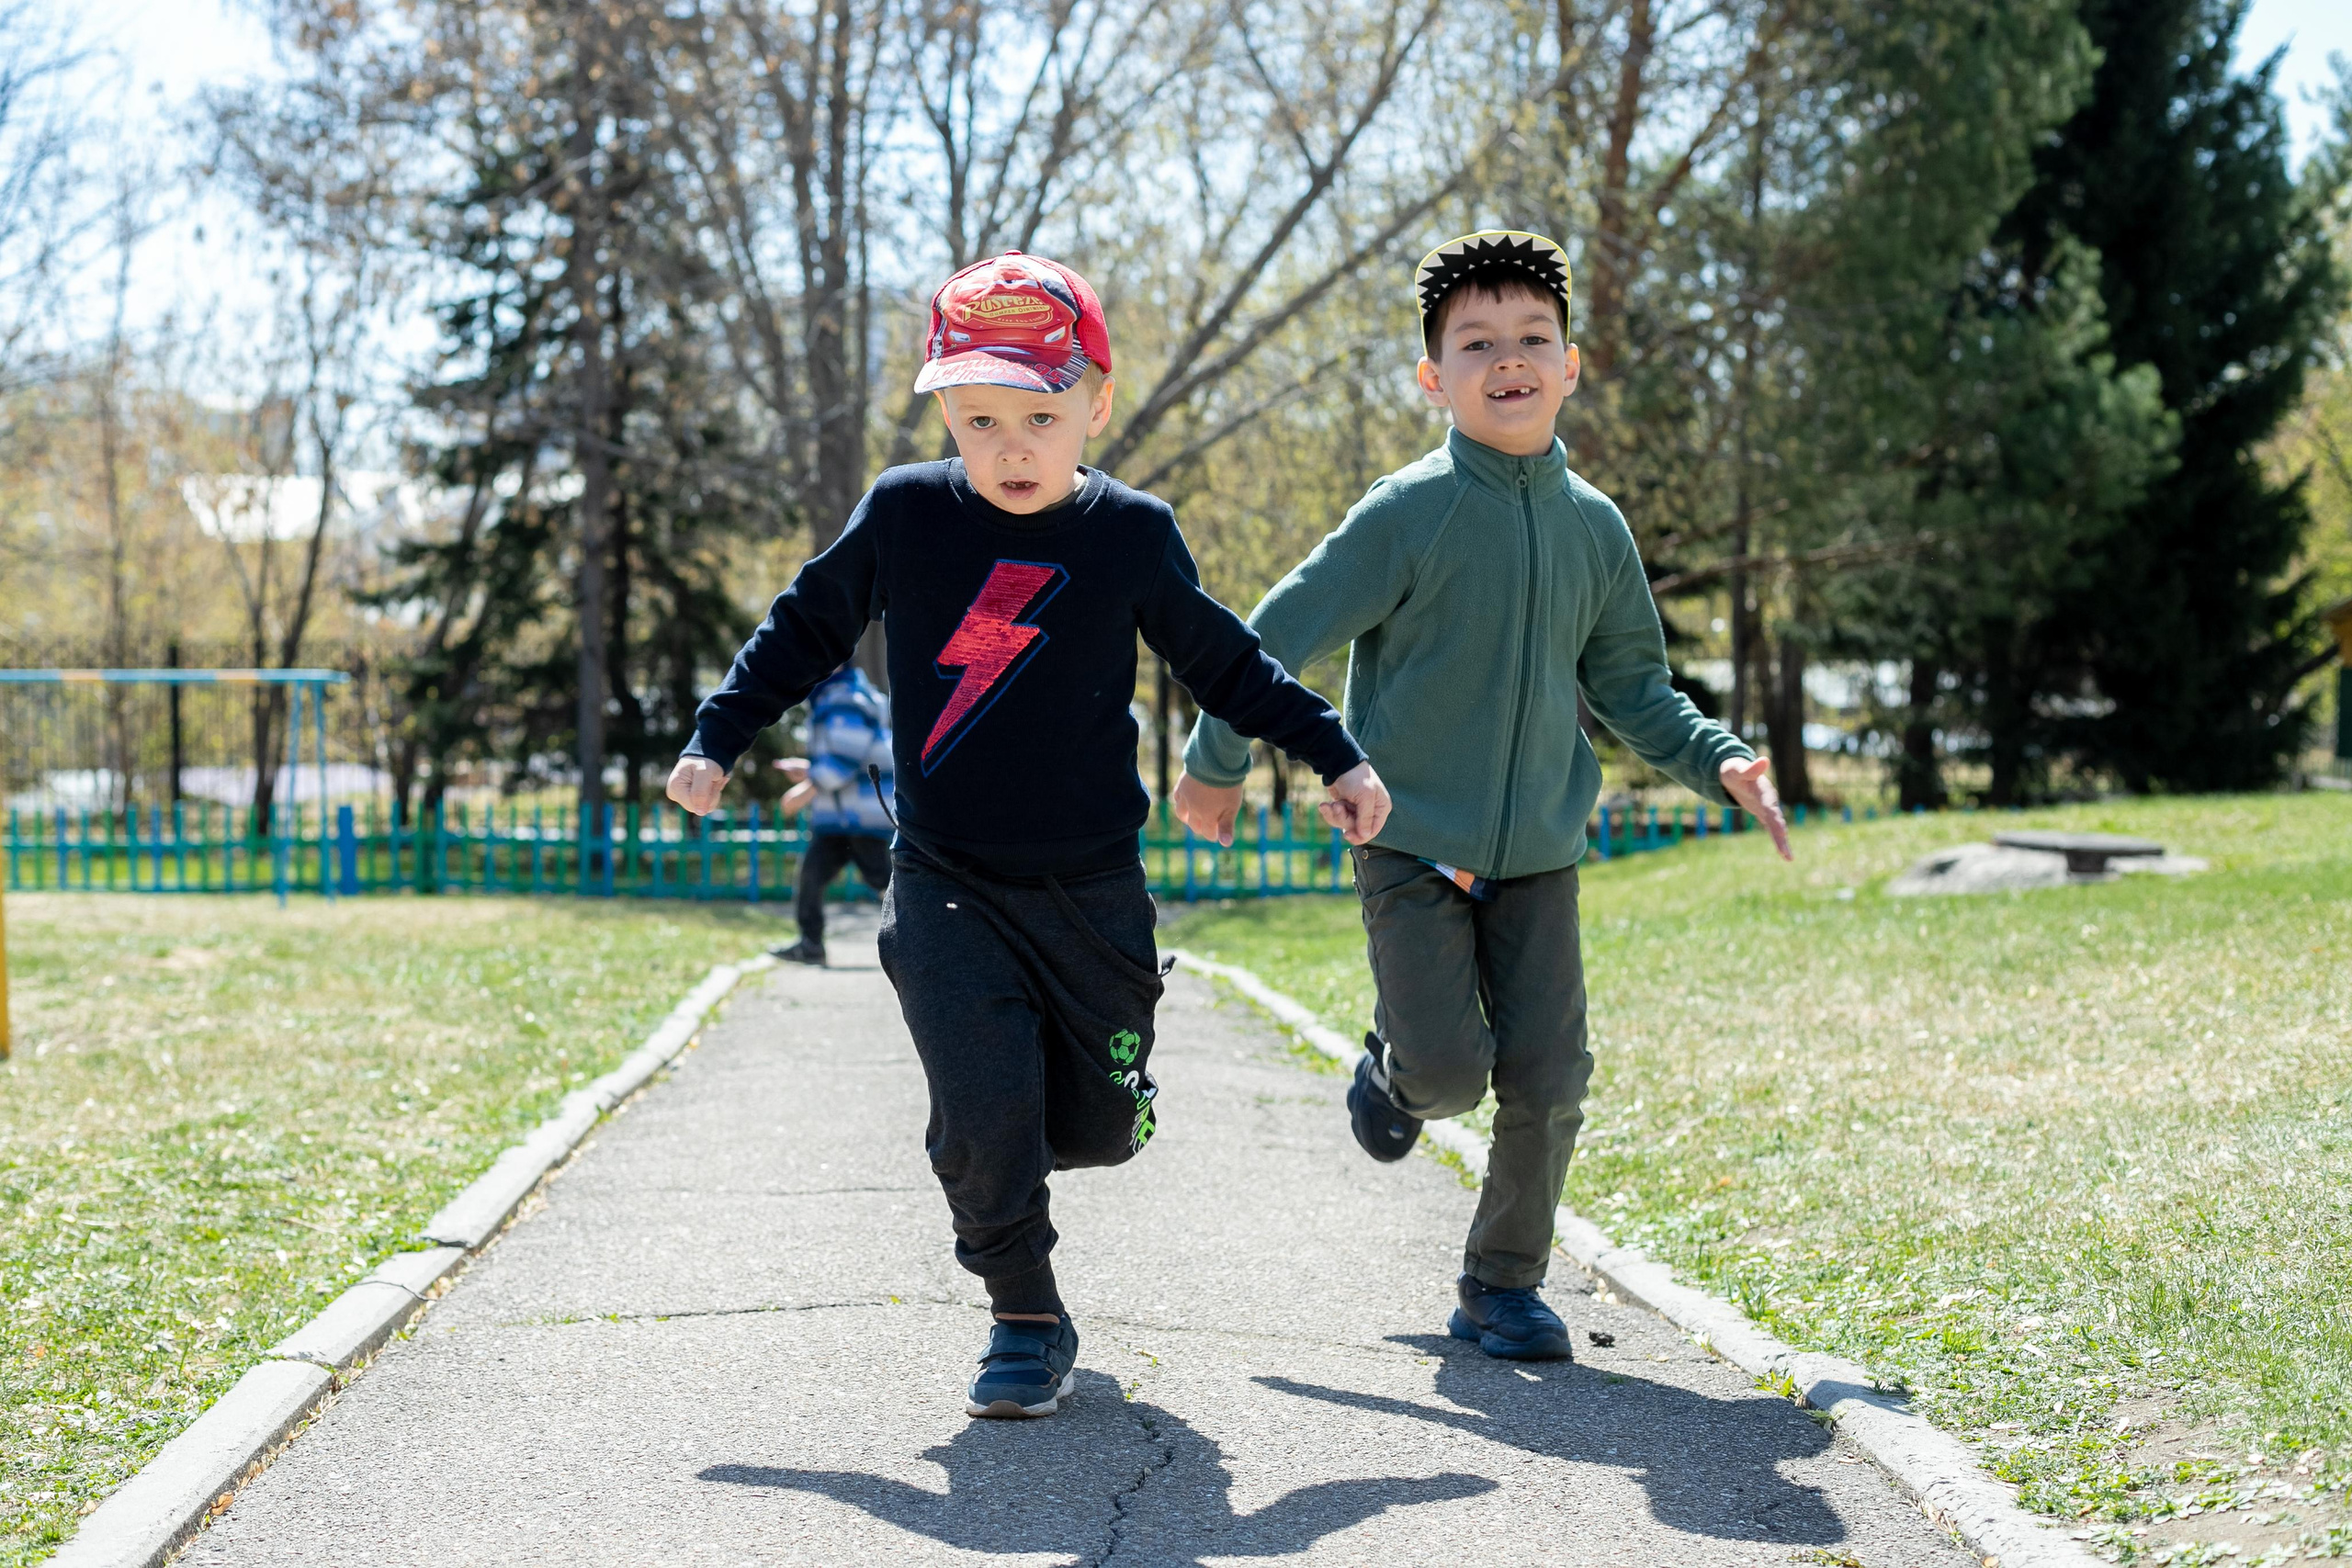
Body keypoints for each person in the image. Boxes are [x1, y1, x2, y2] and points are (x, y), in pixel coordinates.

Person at [667, 252, 1391, 1419]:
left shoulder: (1129, 536)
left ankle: (1095, 1102)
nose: (1010, 447)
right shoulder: (905, 515)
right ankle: (1022, 1315)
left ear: (1095, 406)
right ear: (944, 410)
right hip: (945, 878)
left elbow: (1224, 661)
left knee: (1099, 1129)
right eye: (980, 417)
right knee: (980, 1113)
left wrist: (1334, 751)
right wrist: (719, 734)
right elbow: (805, 624)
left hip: (1092, 888)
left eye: (1040, 417)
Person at [1173, 230, 1791, 1363]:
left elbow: (1633, 687)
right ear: (1433, 377)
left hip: (1540, 852)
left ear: (1568, 363)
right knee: (1450, 1074)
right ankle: (1397, 1072)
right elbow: (1275, 636)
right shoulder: (1407, 514)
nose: (1507, 359)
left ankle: (1501, 1284)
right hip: (1407, 839)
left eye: (1531, 340)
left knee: (1551, 1079)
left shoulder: (1594, 528)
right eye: (1476, 343)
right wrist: (1216, 762)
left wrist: (1721, 759)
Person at [769, 664, 895, 966]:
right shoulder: (834, 695)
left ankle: (925, 942)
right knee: (811, 875)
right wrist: (809, 768)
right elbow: (845, 753)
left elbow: (846, 755)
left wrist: (806, 789)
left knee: (887, 882)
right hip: (840, 815)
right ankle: (810, 944)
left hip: (861, 814)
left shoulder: (845, 696)